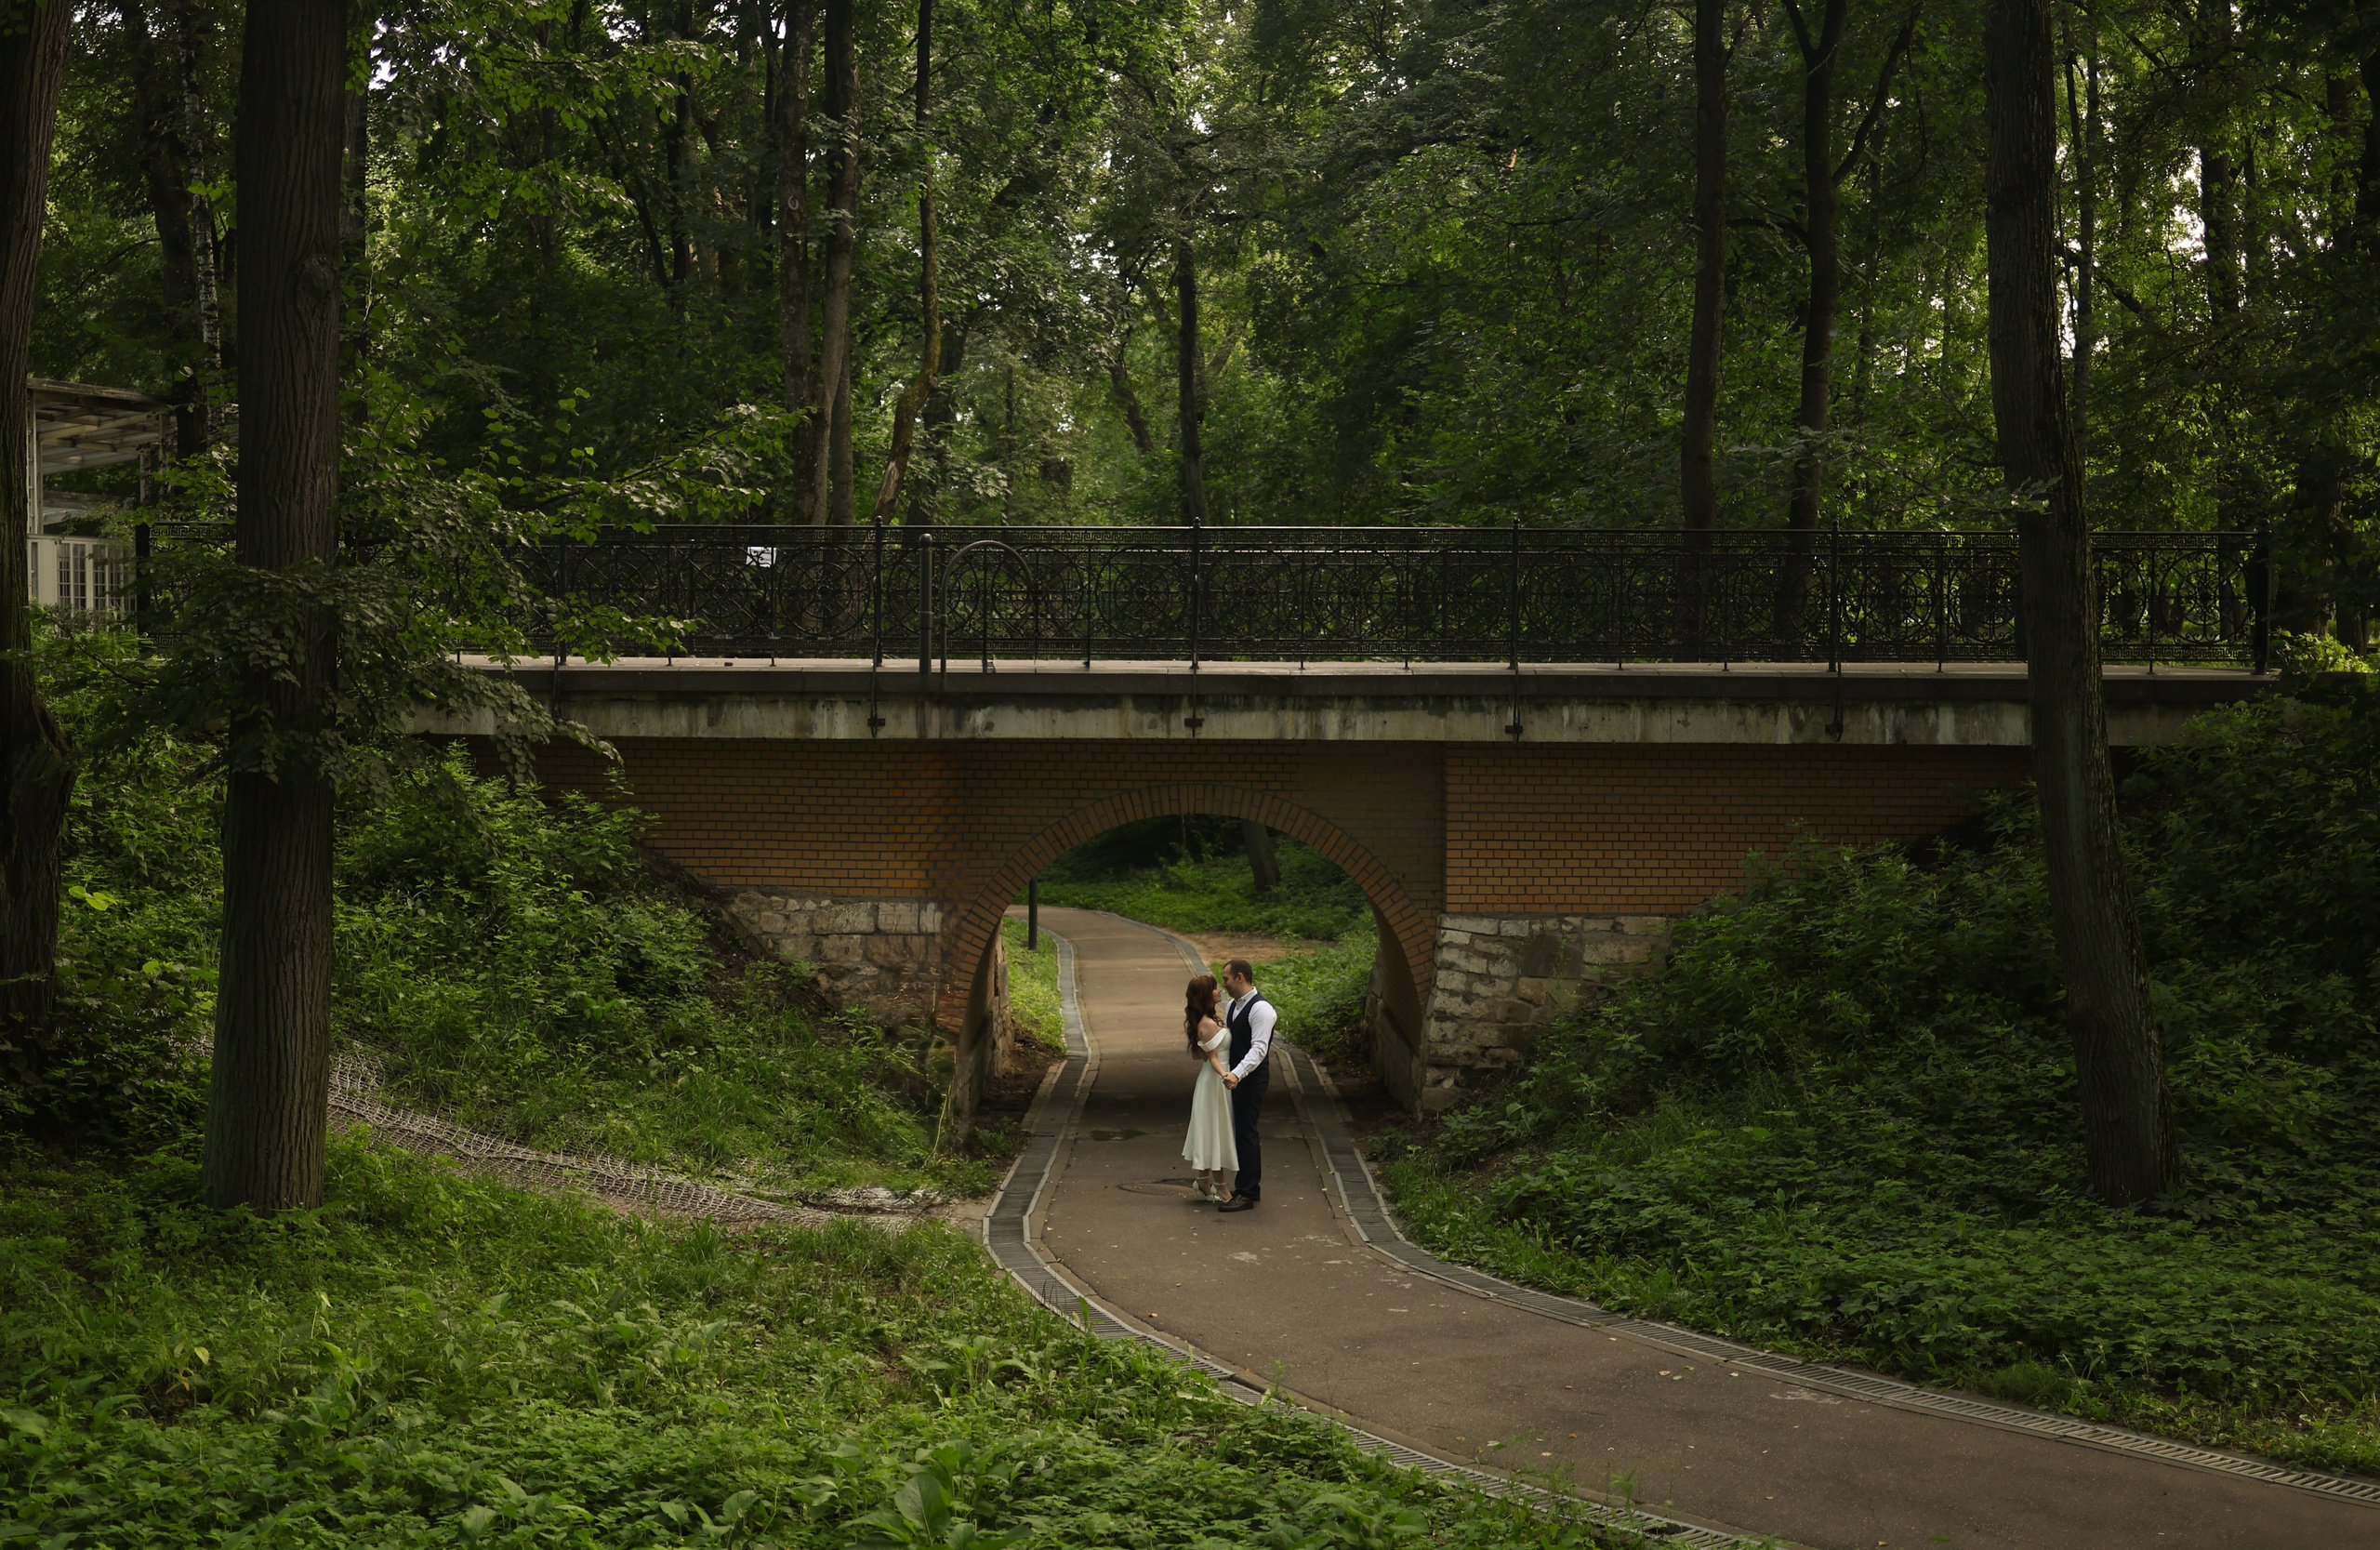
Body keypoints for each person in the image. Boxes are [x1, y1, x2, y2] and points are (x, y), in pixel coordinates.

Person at [1215, 958, 1275, 1212]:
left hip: (1251, 1079)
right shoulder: (1231, 1006)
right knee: (1240, 1131)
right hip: (1236, 1078)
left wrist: (1237, 1074)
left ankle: (1247, 1192)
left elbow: (1259, 1049)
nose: (1224, 983)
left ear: (1240, 977)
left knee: (1246, 1132)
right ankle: (1250, 1187)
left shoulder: (1262, 1010)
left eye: (1226, 978)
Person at [1180, 974, 1236, 1201]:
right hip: (1215, 1082)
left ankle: (1203, 1181)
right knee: (1215, 1132)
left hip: (1214, 1080)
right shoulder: (1208, 1023)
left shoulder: (1210, 1019)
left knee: (1213, 1130)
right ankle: (1221, 1186)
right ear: (1206, 994)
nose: (1219, 990)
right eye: (1214, 988)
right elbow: (1211, 1058)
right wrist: (1226, 1075)